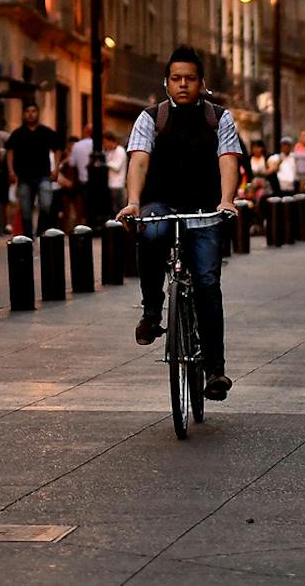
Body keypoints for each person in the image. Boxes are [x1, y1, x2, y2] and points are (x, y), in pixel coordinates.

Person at [116, 47, 240, 401]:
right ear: (166, 82)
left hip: (205, 208)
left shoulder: (219, 118)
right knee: (150, 234)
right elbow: (139, 160)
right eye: (176, 79)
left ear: (202, 83)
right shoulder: (151, 118)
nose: (183, 85)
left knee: (206, 282)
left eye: (190, 79)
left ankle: (215, 368)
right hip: (161, 204)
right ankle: (152, 311)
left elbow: (228, 161)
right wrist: (134, 202)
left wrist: (227, 199)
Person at [4, 102, 62, 238]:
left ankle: (41, 231)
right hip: (24, 176)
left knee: (46, 204)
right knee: (25, 209)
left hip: (43, 175)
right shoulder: (18, 133)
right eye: (28, 111)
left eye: (33, 111)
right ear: (24, 114)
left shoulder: (45, 132)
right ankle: (28, 236)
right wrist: (11, 171)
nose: (31, 114)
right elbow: (10, 151)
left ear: (38, 113)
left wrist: (56, 169)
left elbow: (58, 149)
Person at [102, 131, 129, 216]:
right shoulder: (109, 152)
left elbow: (116, 167)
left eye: (105, 142)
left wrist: (104, 163)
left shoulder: (120, 151)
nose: (104, 144)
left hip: (117, 185)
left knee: (118, 209)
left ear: (111, 141)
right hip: (110, 184)